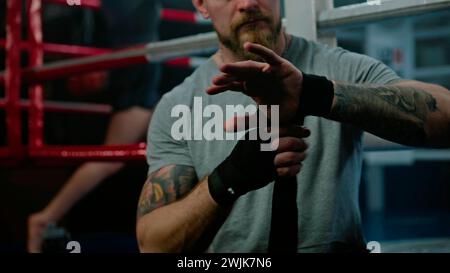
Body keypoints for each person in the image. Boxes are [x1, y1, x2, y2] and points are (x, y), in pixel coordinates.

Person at [136, 0, 450, 253]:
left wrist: (316, 93)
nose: (247, 3)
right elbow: (153, 244)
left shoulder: (341, 68)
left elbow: (445, 115)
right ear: (201, 5)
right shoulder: (180, 106)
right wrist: (228, 178)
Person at [27, 0, 162, 253]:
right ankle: (45, 217)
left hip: (142, 64)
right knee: (111, 156)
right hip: (139, 67)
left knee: (176, 144)